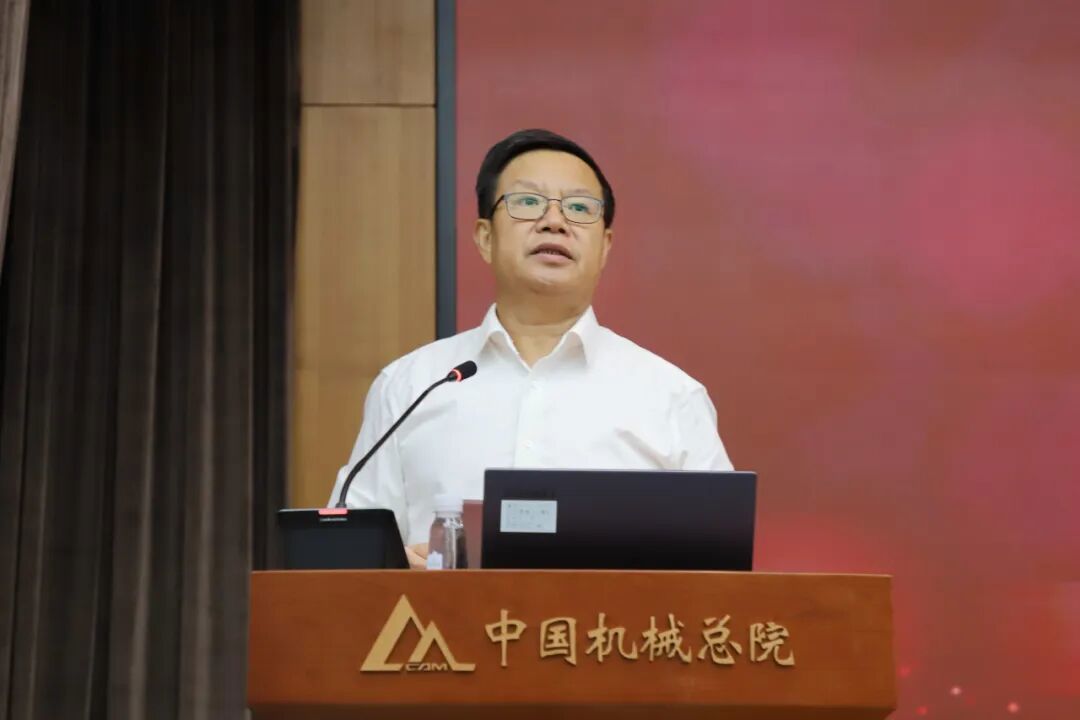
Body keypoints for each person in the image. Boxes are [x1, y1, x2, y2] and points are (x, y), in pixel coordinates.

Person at [329, 128, 733, 568]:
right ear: (485, 237)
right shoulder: (410, 386)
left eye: (579, 208)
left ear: (605, 247)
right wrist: (398, 569)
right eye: (527, 202)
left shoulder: (671, 398)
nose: (554, 221)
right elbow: (346, 557)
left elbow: (721, 575)